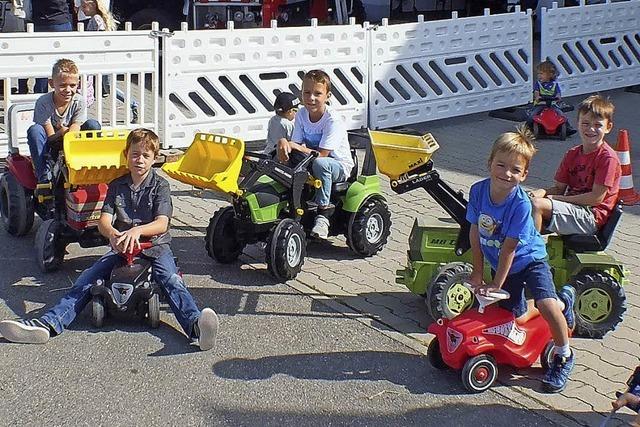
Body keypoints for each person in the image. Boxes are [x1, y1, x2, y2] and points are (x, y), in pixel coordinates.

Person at [0, 129, 220, 351]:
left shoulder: (160, 187)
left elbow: (162, 223)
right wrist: (113, 235)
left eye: (145, 156)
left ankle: (196, 327)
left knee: (171, 279)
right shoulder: (116, 185)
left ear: (154, 158)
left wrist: (137, 231)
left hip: (154, 246)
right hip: (121, 247)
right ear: (126, 155)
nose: (139, 160)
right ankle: (47, 324)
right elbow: (104, 221)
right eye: (135, 154)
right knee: (87, 278)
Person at [466, 125, 576, 393]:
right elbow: (474, 233)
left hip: (529, 260)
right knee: (511, 315)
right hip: (505, 263)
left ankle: (563, 354)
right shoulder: (478, 191)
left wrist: (495, 284)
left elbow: (509, 250)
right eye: (501, 165)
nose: (507, 173)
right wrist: (478, 273)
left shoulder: (521, 204)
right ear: (490, 163)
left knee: (546, 304)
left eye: (515, 170)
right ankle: (561, 303)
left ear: (524, 174)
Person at [277, 70, 354, 239]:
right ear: (301, 93)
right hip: (313, 158)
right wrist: (284, 145)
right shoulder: (302, 114)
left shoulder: (332, 120)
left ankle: (323, 215)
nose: (311, 98)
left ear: (328, 95)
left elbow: (323, 155)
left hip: (336, 165)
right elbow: (296, 145)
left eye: (317, 93)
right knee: (282, 160)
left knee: (320, 165)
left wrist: (295, 146)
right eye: (307, 92)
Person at [529, 94, 621, 235]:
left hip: (591, 216)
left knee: (537, 205)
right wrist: (538, 193)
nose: (591, 129)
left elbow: (595, 198)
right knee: (524, 204)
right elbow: (558, 189)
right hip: (572, 209)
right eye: (585, 123)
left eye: (598, 125)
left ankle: (532, 253)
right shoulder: (572, 154)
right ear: (578, 123)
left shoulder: (607, 158)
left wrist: (557, 199)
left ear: (608, 127)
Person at [27, 58, 101, 184]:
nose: (68, 90)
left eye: (72, 85)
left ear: (78, 84)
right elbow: (50, 137)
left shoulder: (79, 101)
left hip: (72, 142)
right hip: (51, 144)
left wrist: (67, 132)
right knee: (34, 130)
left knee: (93, 125)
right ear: (51, 83)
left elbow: (75, 131)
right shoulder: (43, 102)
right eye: (62, 85)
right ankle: (43, 176)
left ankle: (87, 167)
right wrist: (62, 132)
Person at [81, 0, 139, 124]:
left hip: (102, 59)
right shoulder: (96, 18)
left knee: (108, 87)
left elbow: (101, 36)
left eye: (84, 6)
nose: (82, 9)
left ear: (93, 6)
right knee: (99, 86)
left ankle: (133, 104)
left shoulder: (96, 19)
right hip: (99, 59)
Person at [526, 60, 575, 136]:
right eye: (538, 74)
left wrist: (558, 97)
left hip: (552, 104)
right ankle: (527, 129)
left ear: (550, 74)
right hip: (540, 104)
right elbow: (536, 92)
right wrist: (537, 97)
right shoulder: (538, 84)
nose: (539, 76)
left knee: (561, 115)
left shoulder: (555, 84)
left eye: (541, 74)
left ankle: (568, 128)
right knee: (532, 115)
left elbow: (558, 93)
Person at [264, 92, 298, 158]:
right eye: (296, 110)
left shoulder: (273, 120)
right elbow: (295, 142)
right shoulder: (288, 124)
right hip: (279, 156)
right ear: (290, 111)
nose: (296, 113)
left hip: (268, 153)